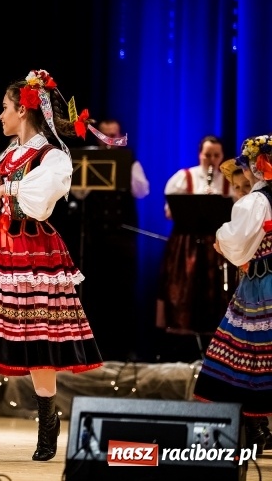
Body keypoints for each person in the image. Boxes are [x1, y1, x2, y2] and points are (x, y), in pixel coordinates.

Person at [0, 69, 103, 463]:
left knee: (38, 342)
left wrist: (4, 189)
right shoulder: (0, 158)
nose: (0, 116)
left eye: (4, 108)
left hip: (32, 251)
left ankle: (47, 422)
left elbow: (38, 199)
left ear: (24, 109)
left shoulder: (53, 157)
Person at [192, 134, 272, 452]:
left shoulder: (256, 202)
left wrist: (221, 239)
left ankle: (254, 428)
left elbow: (238, 248)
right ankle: (256, 428)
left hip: (261, 286)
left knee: (245, 356)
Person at [65, 118, 150, 361]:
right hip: (94, 239)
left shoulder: (129, 160)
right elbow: (78, 192)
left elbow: (143, 190)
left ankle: (124, 350)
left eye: (114, 136)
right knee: (95, 291)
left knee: (122, 293)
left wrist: (123, 167)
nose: (110, 142)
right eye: (105, 136)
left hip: (122, 239)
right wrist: (96, 171)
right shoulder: (90, 159)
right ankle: (92, 348)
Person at [156, 135, 235, 357]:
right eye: (207, 155)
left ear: (222, 156)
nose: (211, 159)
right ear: (200, 154)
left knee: (215, 293)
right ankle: (181, 348)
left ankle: (214, 347)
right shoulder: (184, 177)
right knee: (182, 293)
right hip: (186, 243)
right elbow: (170, 212)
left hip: (216, 245)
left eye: (216, 155)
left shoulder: (229, 180)